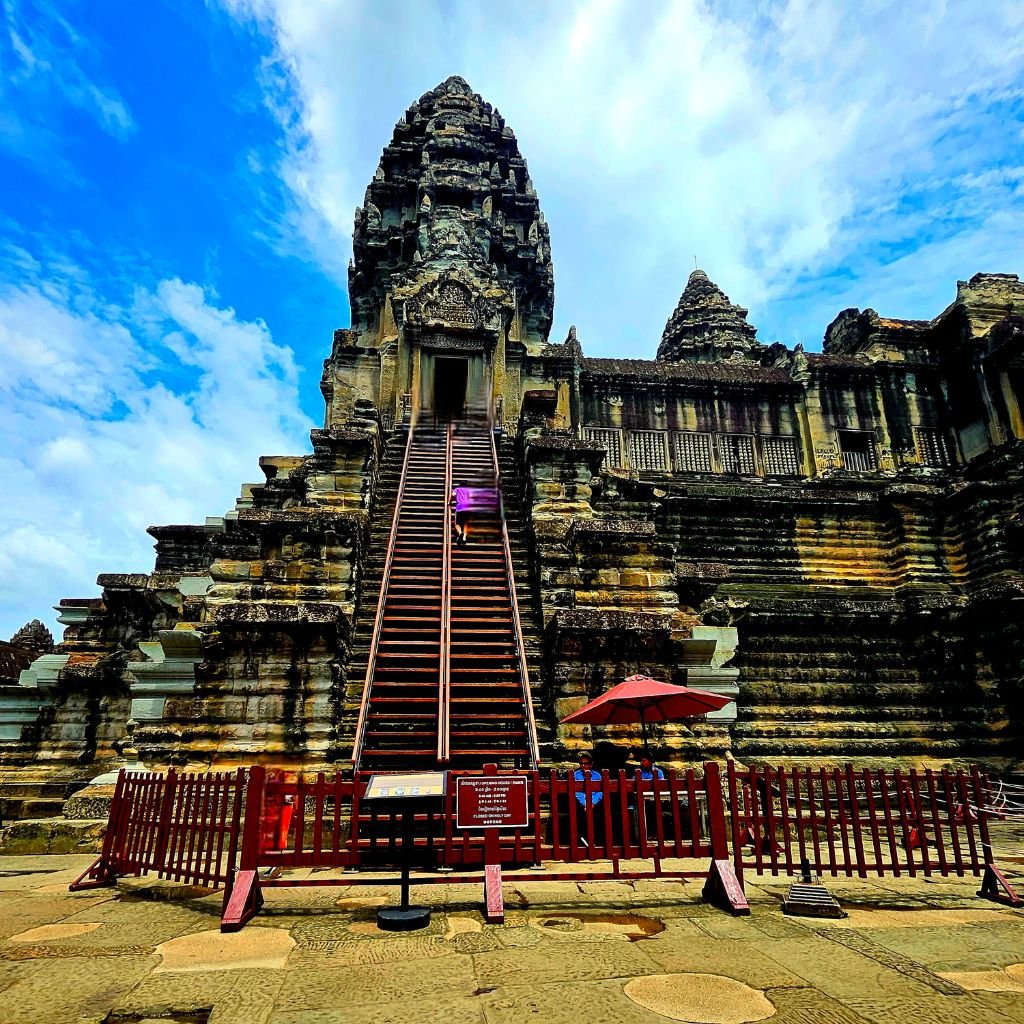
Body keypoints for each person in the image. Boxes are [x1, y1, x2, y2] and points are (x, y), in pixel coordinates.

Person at [572, 751, 604, 849]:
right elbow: (577, 792)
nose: (583, 766)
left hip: (595, 802)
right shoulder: (575, 775)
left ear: (591, 764)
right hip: (581, 803)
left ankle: (597, 841)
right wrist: (585, 803)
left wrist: (592, 803)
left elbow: (600, 792)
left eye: (585, 763)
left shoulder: (597, 775)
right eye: (581, 763)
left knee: (599, 816)